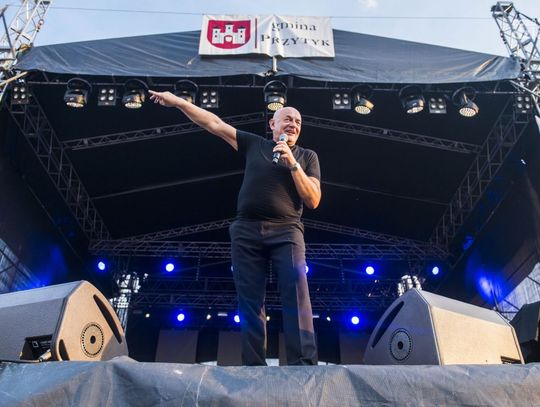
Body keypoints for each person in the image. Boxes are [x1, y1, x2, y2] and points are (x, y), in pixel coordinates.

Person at [149, 89, 321, 366]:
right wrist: (179, 102)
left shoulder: (307, 156)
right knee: (250, 300)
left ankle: (303, 364)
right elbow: (214, 123)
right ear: (272, 124)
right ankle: (253, 366)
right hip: (246, 230)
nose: (293, 124)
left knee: (296, 292)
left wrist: (292, 163)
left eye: (298, 122)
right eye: (287, 119)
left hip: (287, 230)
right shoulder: (254, 145)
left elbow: (313, 200)